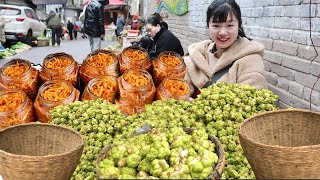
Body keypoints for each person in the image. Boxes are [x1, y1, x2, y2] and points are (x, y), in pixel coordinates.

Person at [183, 0, 268, 97]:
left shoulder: (251, 61)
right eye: (216, 26)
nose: (222, 32)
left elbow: (252, 102)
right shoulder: (198, 53)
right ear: (208, 26)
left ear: (239, 25)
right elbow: (182, 87)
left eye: (230, 25)